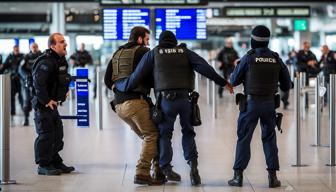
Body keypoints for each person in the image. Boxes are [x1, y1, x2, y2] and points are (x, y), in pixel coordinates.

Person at [118, 30, 234, 186]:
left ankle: (166, 168)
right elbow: (204, 67)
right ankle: (194, 169)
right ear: (174, 41)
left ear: (160, 41)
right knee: (188, 132)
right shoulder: (185, 51)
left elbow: (135, 77)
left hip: (166, 101)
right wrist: (223, 83)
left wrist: (120, 86)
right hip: (185, 100)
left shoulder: (154, 53)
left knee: (165, 135)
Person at [228, 25, 291, 188]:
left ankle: (238, 176)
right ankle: (272, 177)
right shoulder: (276, 58)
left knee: (244, 138)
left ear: (253, 40)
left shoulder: (248, 58)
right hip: (270, 104)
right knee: (269, 139)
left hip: (250, 104)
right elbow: (286, 84)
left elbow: (233, 81)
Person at [104, 26, 165, 185]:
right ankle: (142, 172)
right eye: (146, 39)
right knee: (152, 135)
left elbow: (106, 79)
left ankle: (158, 171)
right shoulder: (144, 52)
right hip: (135, 103)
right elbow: (153, 76)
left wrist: (116, 88)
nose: (147, 43)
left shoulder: (117, 53)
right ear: (139, 39)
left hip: (119, 105)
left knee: (149, 137)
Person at [31, 33, 74, 175]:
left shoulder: (61, 60)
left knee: (57, 134)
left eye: (65, 42)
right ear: (52, 46)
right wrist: (46, 100)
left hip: (53, 104)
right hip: (43, 104)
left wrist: (64, 92)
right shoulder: (46, 61)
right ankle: (43, 165)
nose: (65, 44)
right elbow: (38, 83)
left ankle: (55, 160)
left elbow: (62, 79)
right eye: (61, 42)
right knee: (46, 134)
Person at [19, 42, 42, 126]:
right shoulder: (26, 57)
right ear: (30, 48)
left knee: (39, 100)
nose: (34, 48)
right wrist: (27, 76)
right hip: (28, 82)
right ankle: (26, 119)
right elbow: (20, 69)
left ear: (38, 47)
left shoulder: (41, 56)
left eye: (36, 47)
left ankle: (39, 119)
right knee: (26, 100)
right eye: (33, 47)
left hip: (39, 82)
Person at [0, 45, 24, 115]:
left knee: (21, 96)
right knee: (12, 96)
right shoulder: (10, 57)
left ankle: (24, 110)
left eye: (17, 49)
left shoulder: (22, 56)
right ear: (13, 49)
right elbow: (4, 66)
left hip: (20, 79)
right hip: (12, 80)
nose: (16, 50)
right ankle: (13, 111)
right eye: (15, 49)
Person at [296, 41, 319, 108]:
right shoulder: (299, 53)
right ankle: (299, 103)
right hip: (301, 73)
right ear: (303, 46)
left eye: (308, 47)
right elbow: (298, 64)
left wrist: (313, 63)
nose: (307, 48)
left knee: (306, 88)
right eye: (306, 46)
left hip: (309, 74)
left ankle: (306, 103)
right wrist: (307, 64)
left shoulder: (311, 53)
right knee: (300, 89)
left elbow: (316, 62)